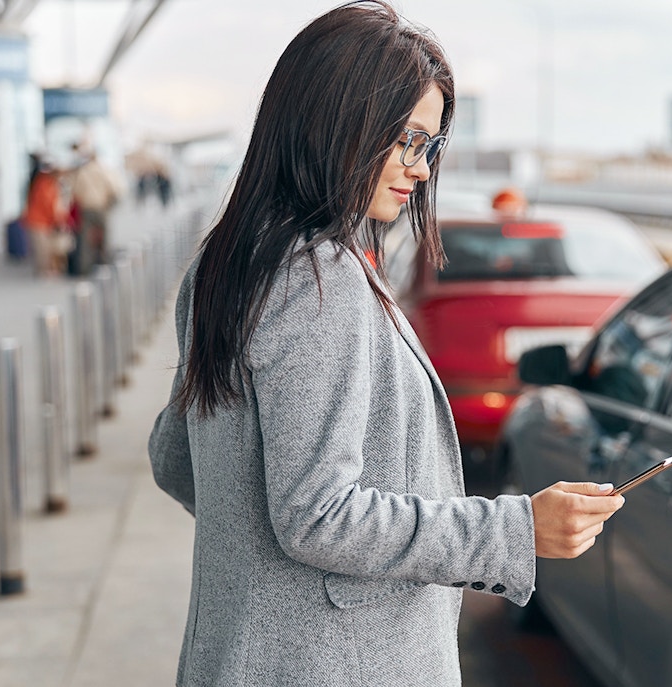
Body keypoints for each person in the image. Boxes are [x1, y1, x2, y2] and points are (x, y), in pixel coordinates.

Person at [147, 3, 624, 685]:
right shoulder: (319, 282)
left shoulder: (229, 260)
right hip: (332, 664)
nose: (422, 168)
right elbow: (318, 514)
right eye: (406, 140)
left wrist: (245, 533)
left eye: (428, 145)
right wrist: (514, 531)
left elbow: (174, 458)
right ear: (337, 124)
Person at [69, 145, 120, 274]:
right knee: (104, 237)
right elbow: (114, 189)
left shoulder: (83, 171)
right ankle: (104, 265)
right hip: (101, 207)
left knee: (85, 240)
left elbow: (75, 191)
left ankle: (83, 268)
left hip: (86, 208)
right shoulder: (104, 171)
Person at [23, 161, 65, 277]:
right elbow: (48, 204)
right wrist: (57, 220)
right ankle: (42, 272)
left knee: (42, 247)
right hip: (38, 220)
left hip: (41, 220)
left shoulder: (43, 183)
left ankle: (42, 271)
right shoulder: (46, 184)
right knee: (42, 248)